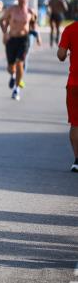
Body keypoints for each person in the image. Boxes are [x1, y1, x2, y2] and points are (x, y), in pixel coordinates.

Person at [0, 0, 38, 101]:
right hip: (12, 39)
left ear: (27, 0)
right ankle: (13, 75)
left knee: (20, 62)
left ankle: (16, 89)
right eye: (21, 1)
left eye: (24, 0)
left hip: (24, 40)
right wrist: (5, 33)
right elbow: (1, 21)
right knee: (10, 67)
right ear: (17, 0)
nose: (22, 3)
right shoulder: (11, 10)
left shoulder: (30, 12)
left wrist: (37, 36)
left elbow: (33, 24)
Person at [56, 18, 78, 172]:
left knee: (75, 123)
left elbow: (61, 55)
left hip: (74, 84)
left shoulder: (70, 30)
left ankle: (77, 160)